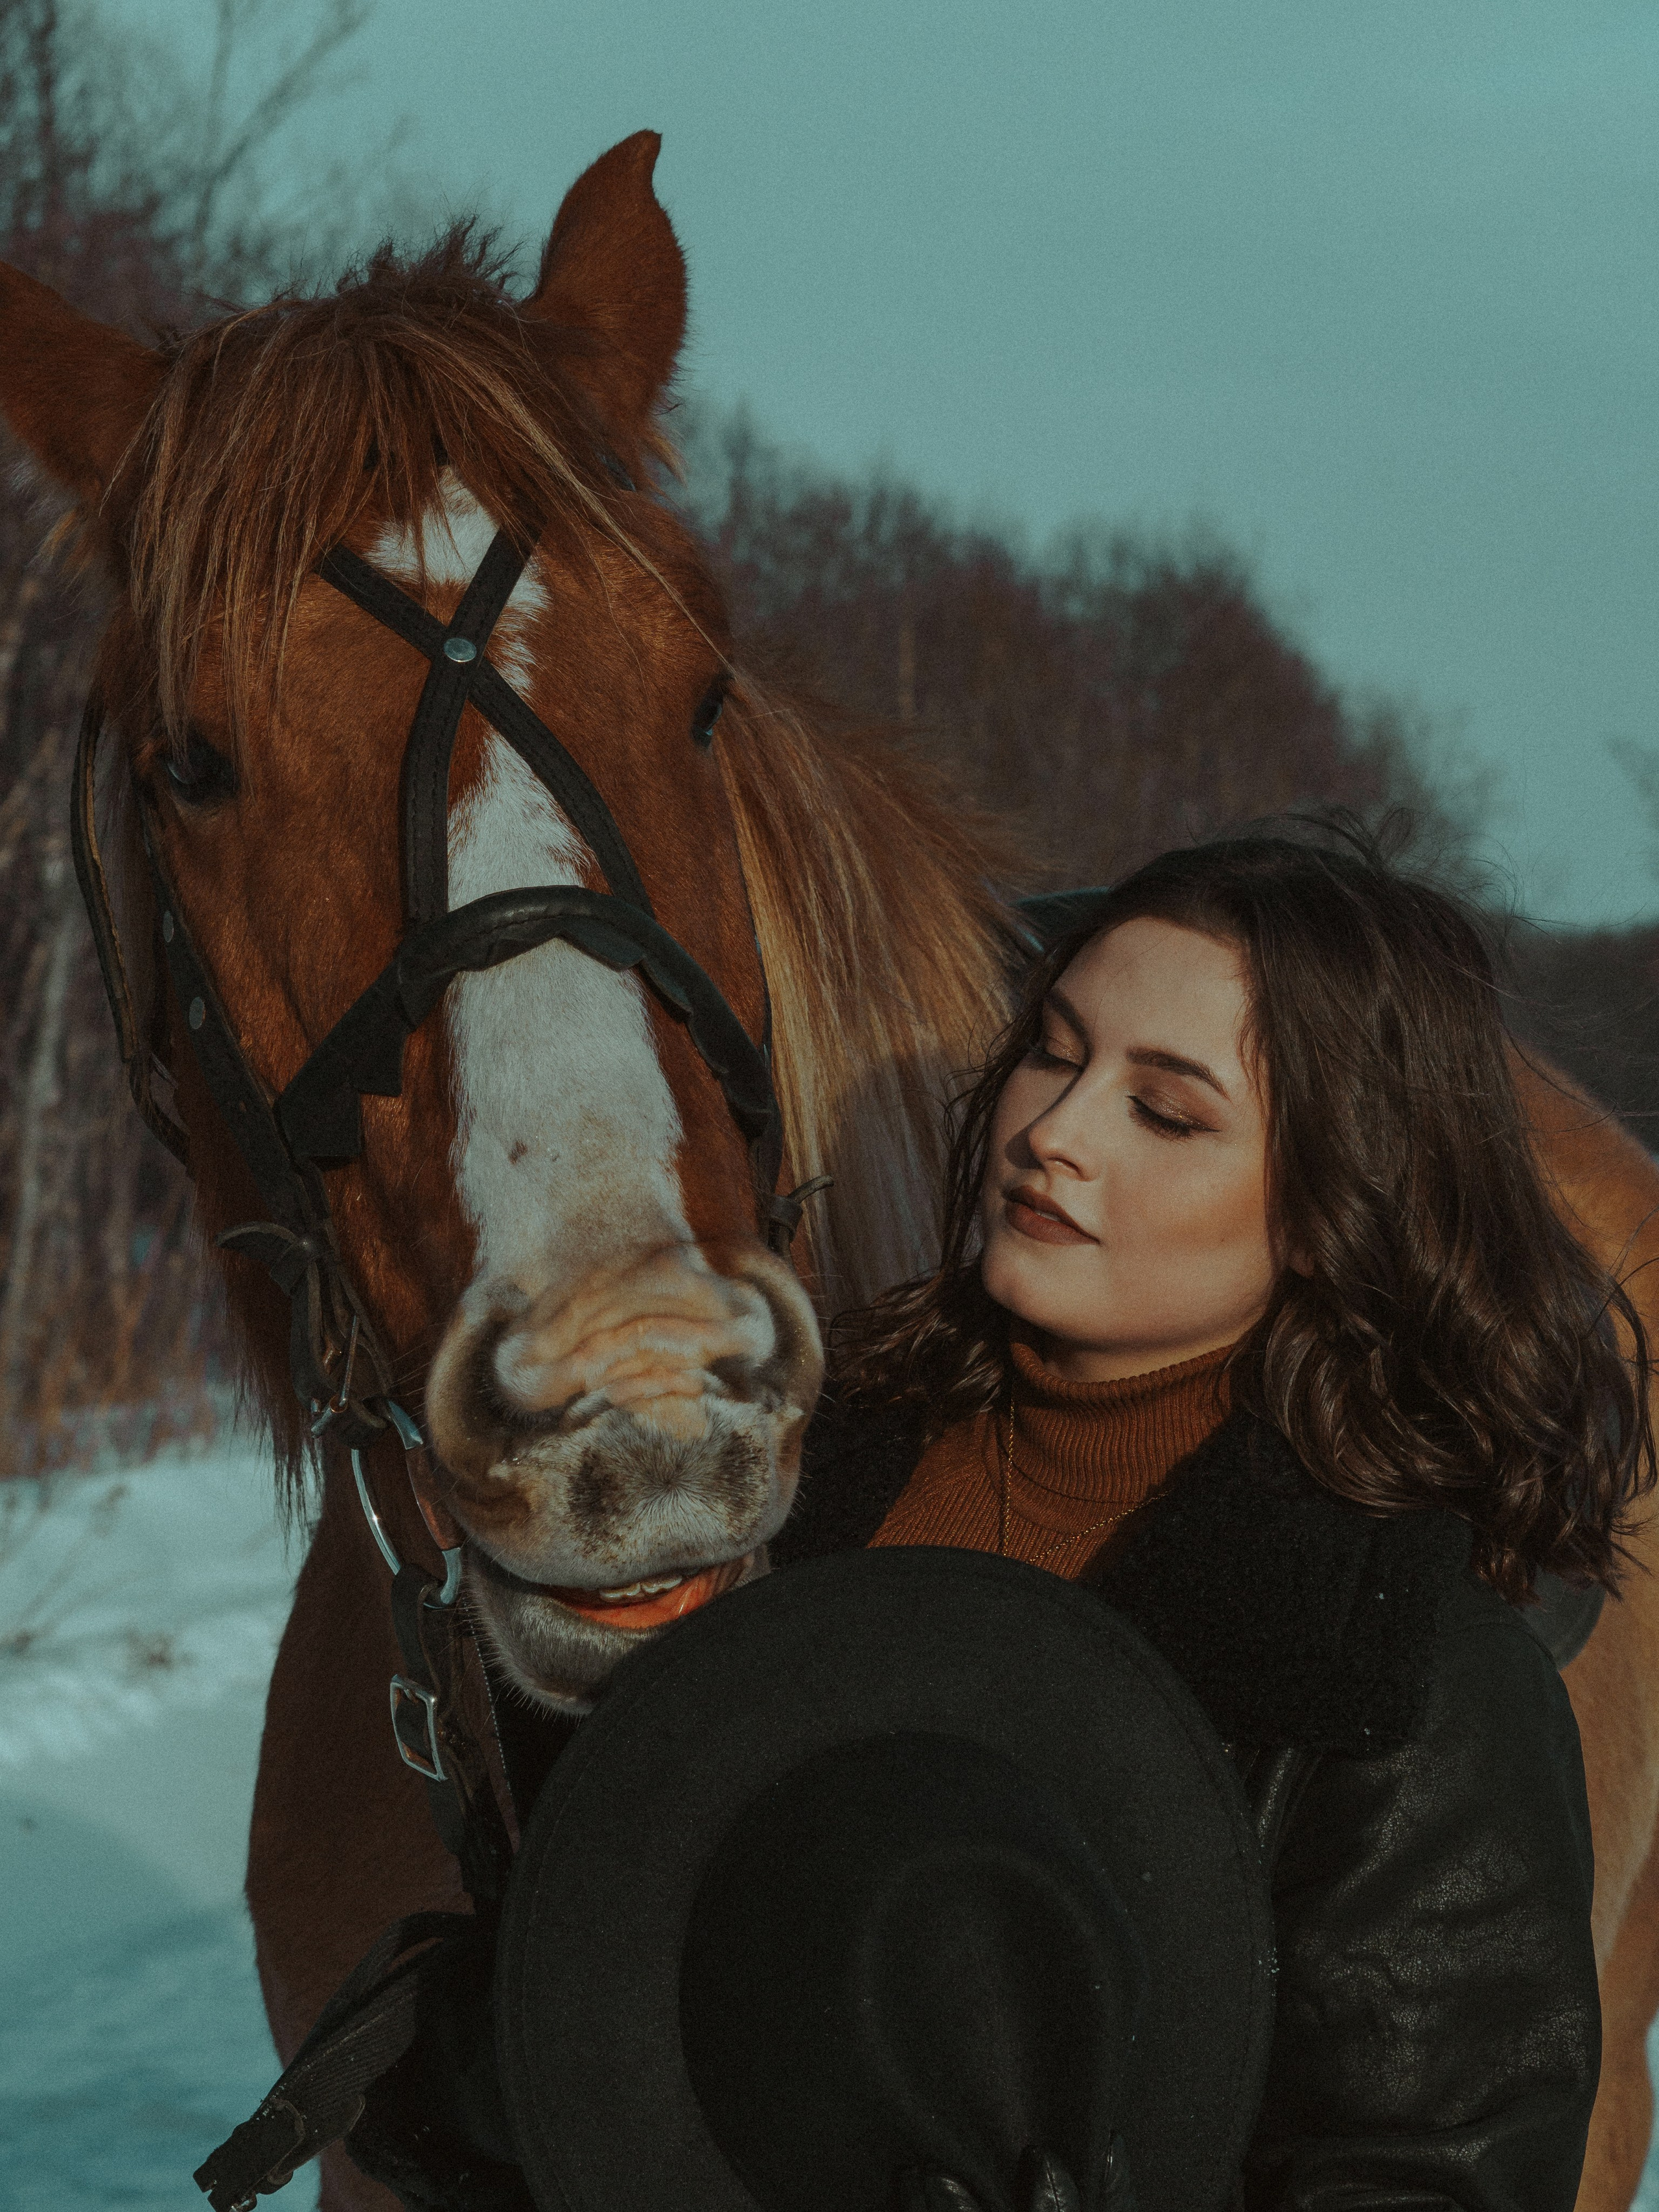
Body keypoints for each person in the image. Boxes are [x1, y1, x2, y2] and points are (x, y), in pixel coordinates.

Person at [774, 821, 1654, 2209]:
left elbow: (1422, 2182)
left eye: (1166, 1113)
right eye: (1051, 1053)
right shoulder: (783, 1481)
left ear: (1328, 1204)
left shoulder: (1410, 1673)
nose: (1052, 1135)